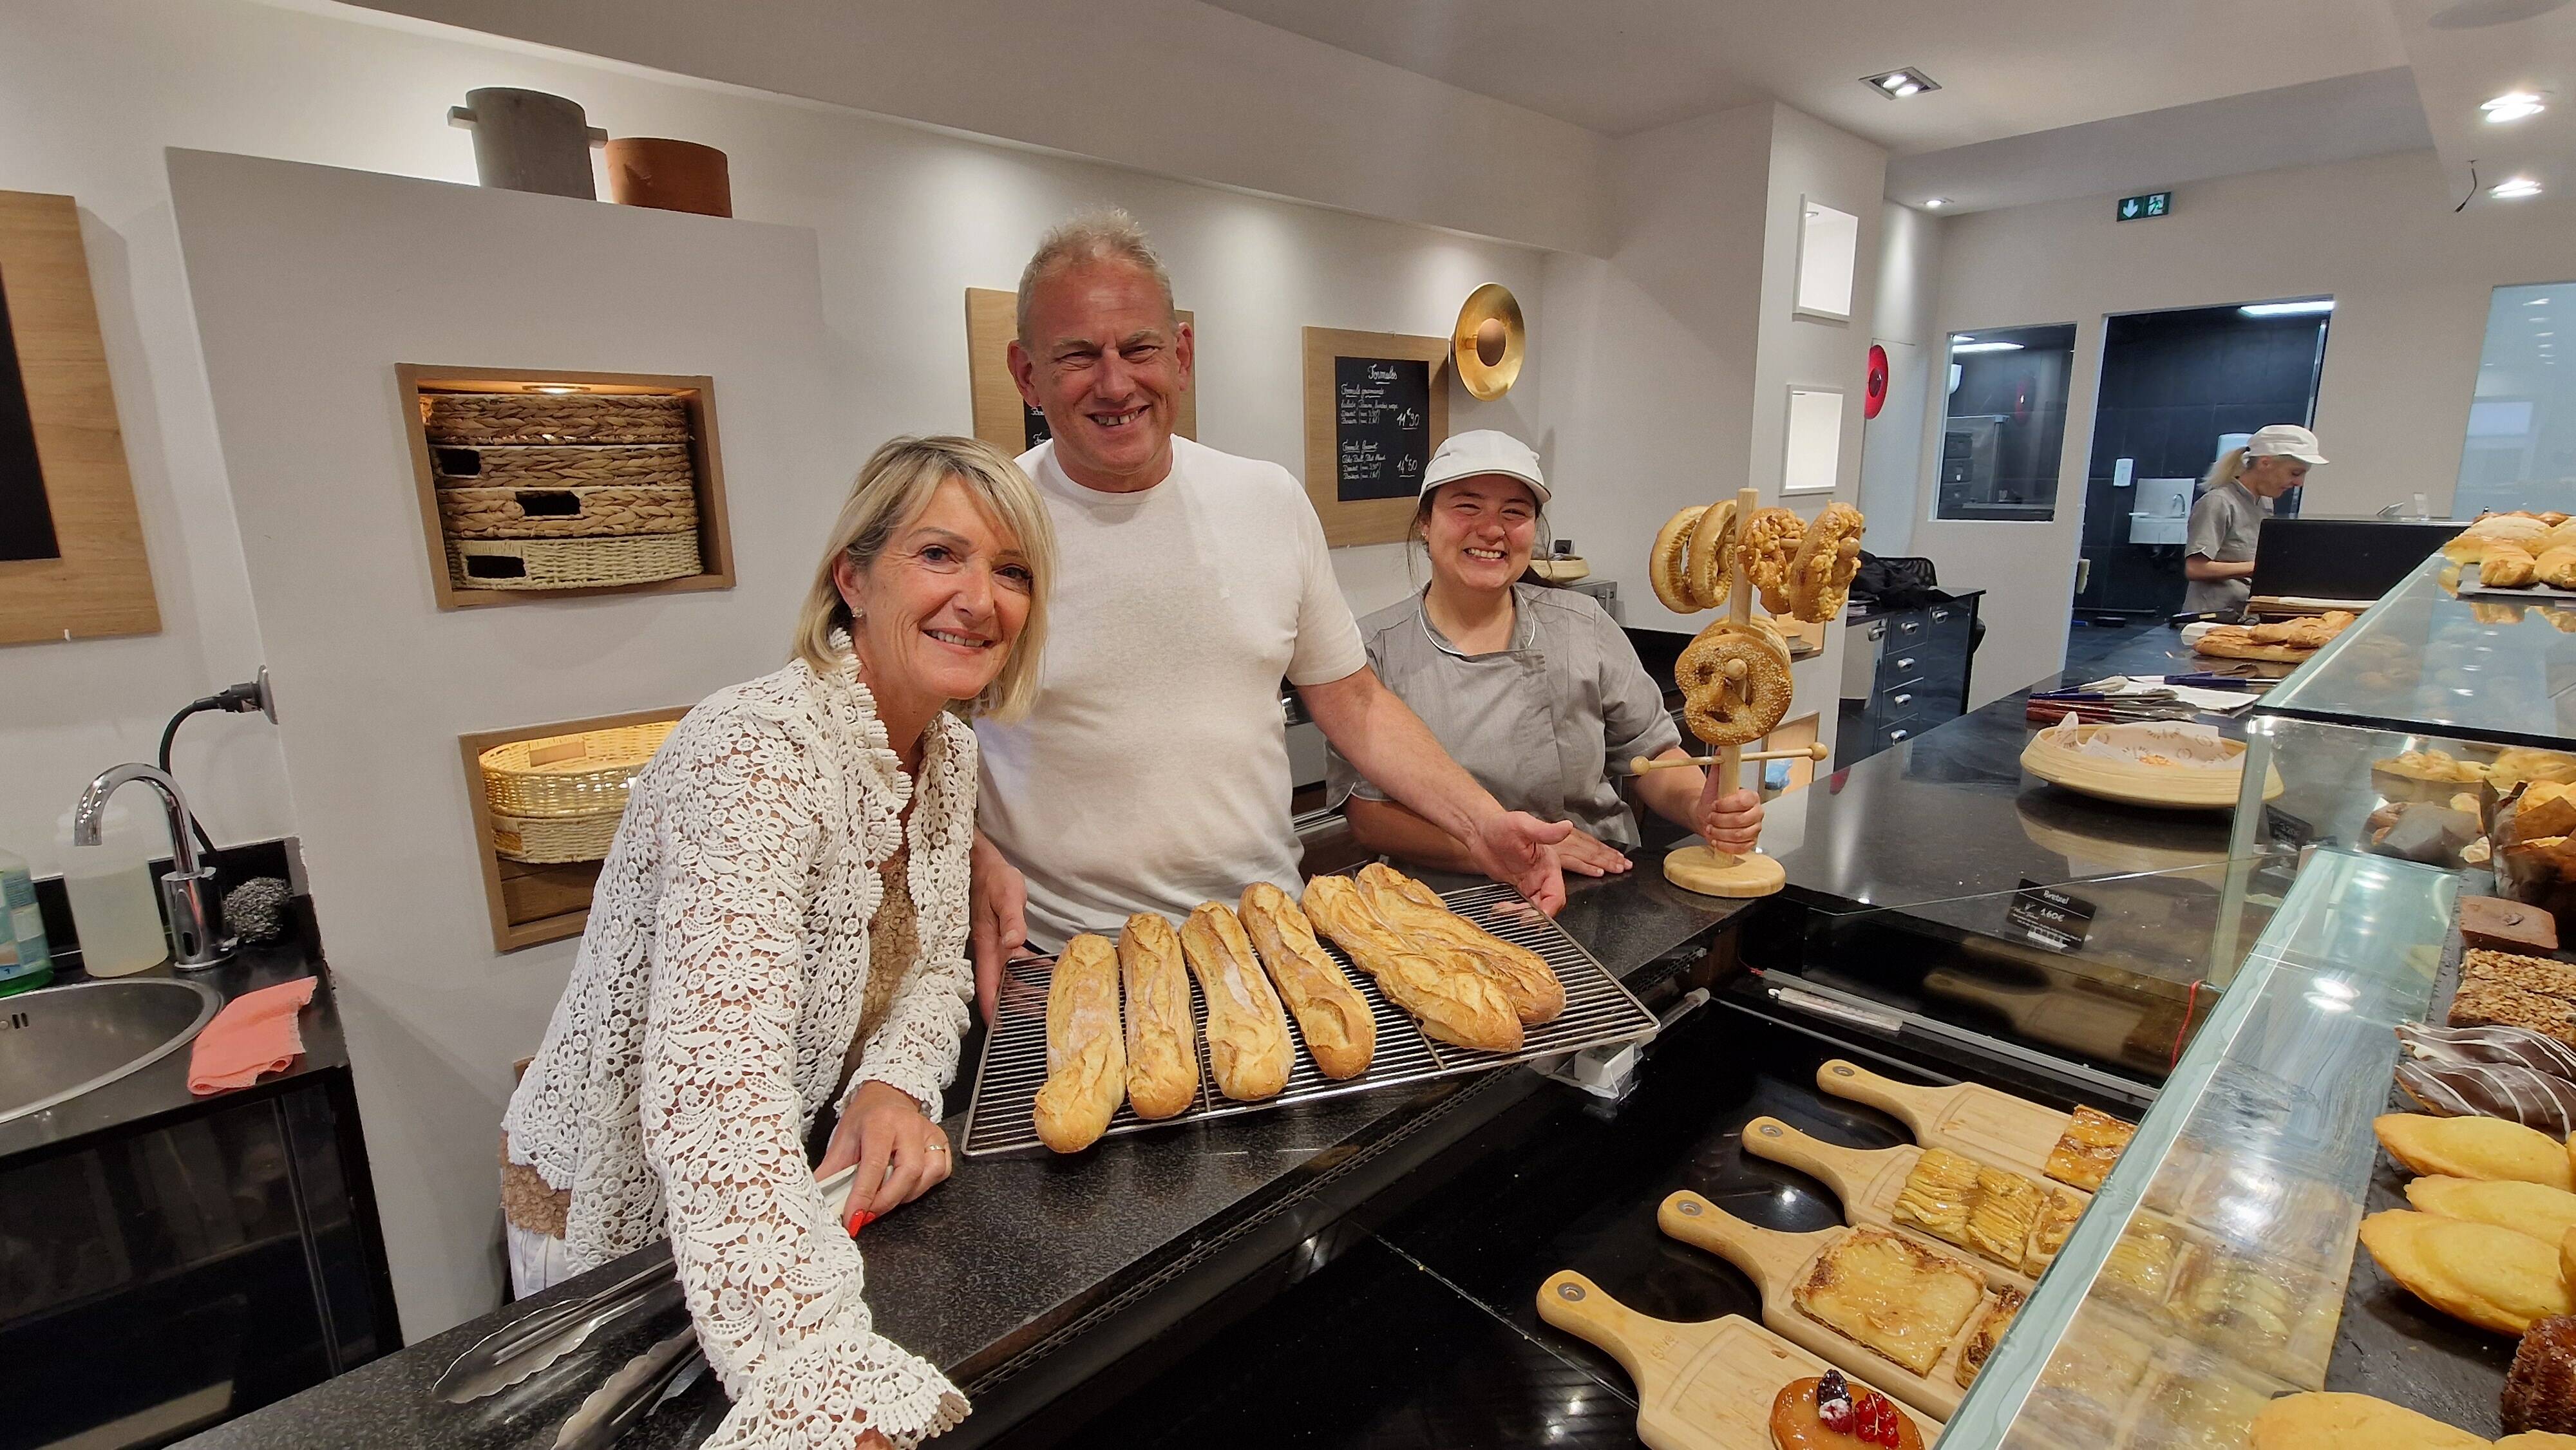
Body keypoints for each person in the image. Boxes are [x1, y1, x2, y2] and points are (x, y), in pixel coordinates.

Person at [501, 436, 1057, 1450]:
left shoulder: (946, 752)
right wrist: (817, 1372)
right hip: (629, 1228)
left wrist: (892, 1081)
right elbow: (716, 1087)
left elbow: (935, 968)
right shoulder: (755, 753)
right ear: (851, 577)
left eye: (1012, 570)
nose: (981, 597)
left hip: (778, 1207)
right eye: (941, 556)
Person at [969, 209, 1569, 1011]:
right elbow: (901, 744)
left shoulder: (1266, 500)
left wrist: (1481, 824)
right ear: (1024, 371)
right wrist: (972, 854)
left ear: (1180, 354)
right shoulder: (981, 525)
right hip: (1063, 956)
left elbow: (1351, 700)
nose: (1115, 383)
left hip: (1267, 939)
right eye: (1077, 355)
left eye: (1139, 348)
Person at [1326, 430, 1765, 876]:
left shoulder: (1582, 625)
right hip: (1442, 895)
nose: (1492, 529)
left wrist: (1698, 807)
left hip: (1594, 880)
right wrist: (1509, 854)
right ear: (1425, 520)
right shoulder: (1373, 649)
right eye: (1467, 506)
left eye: (1514, 512)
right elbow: (1369, 816)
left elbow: (1651, 755)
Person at [2181, 424, 2327, 616]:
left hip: (2243, 612)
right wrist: (2263, 567)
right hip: (2211, 617)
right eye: (2295, 473)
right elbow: (2196, 569)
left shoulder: (2264, 502)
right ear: (2265, 463)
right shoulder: (2219, 502)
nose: (2299, 483)